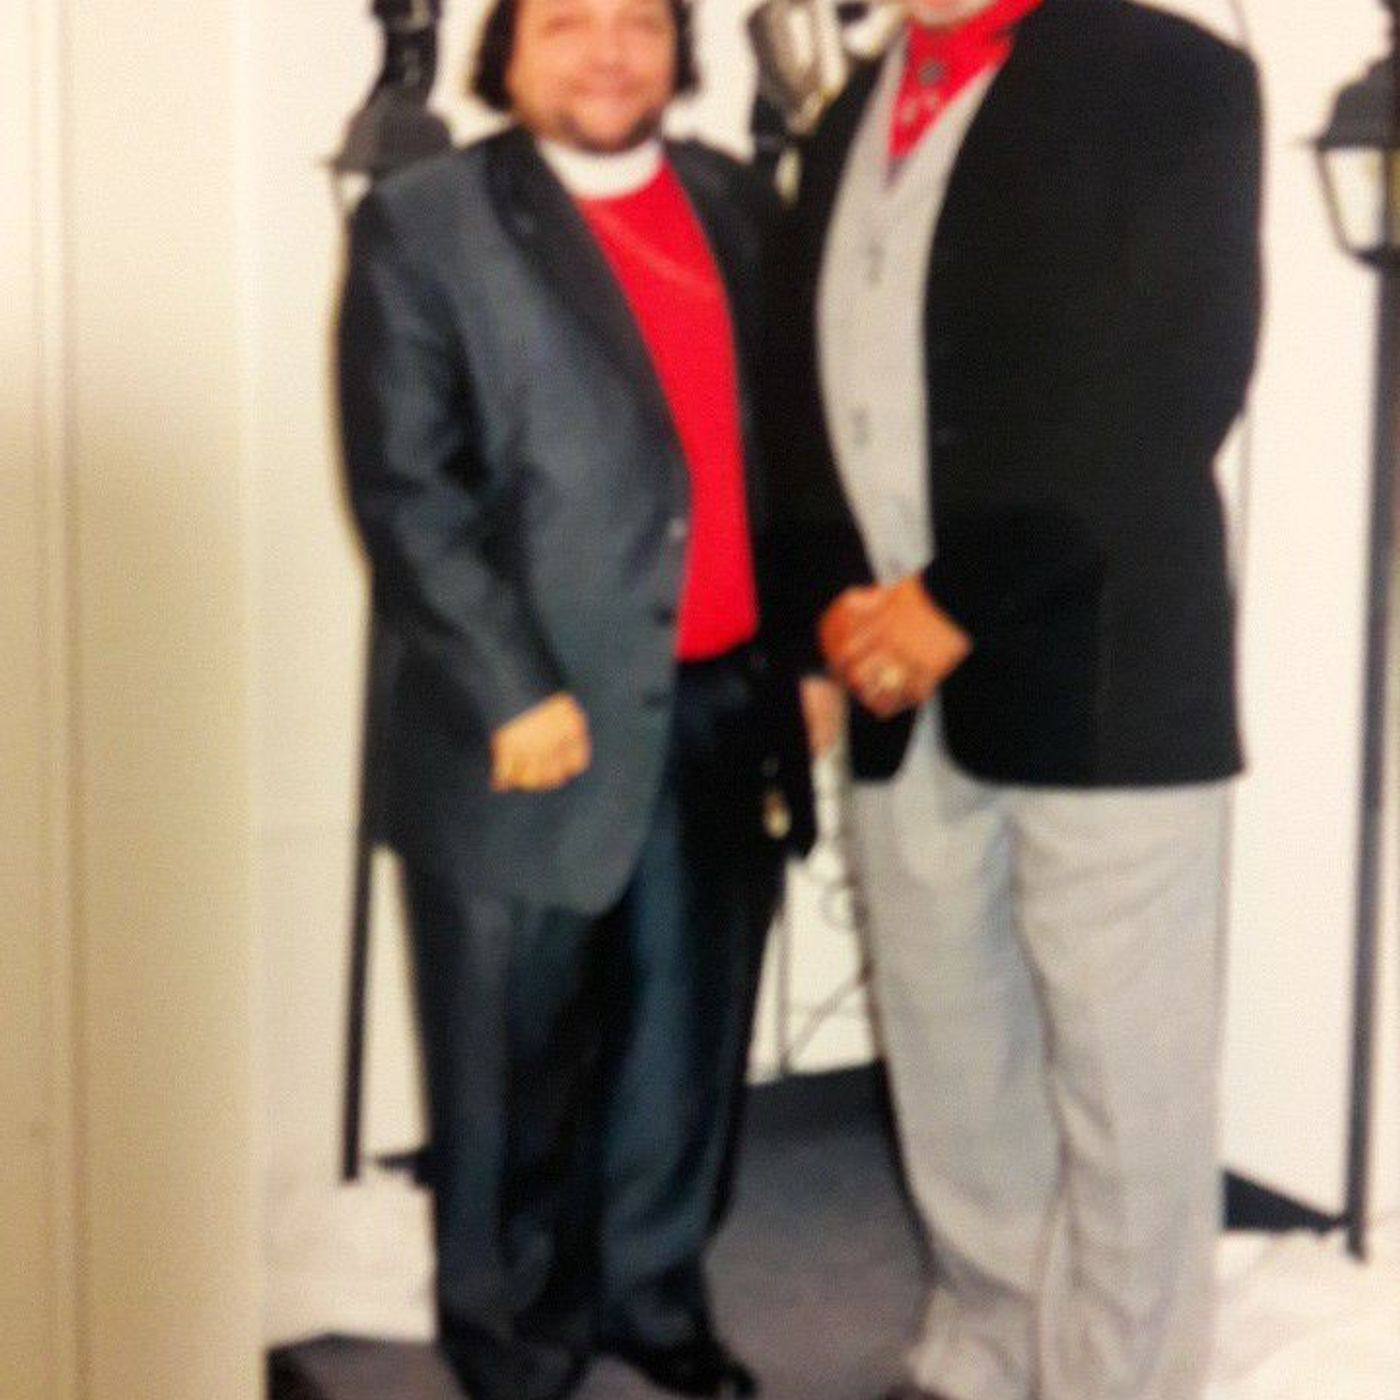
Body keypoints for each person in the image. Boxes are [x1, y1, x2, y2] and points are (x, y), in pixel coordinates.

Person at [770, 0, 1262, 1396]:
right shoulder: (846, 114)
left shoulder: (1176, 76)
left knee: (1125, 1084)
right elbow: (803, 388)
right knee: (954, 1056)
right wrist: (829, 610)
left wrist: (954, 601)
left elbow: (1172, 383)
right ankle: (982, 1355)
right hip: (889, 671)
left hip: (1100, 669)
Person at [336, 0, 815, 1394]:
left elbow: (783, 449)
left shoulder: (737, 205)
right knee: (509, 1063)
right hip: (526, 724)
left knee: (686, 1046)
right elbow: (408, 489)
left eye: (638, 23)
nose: (608, 53)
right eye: (567, 23)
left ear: (679, 49)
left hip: (719, 707)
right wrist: (511, 688)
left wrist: (797, 657)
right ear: (507, 51)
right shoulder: (425, 224)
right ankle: (514, 1347)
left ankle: (651, 1303)